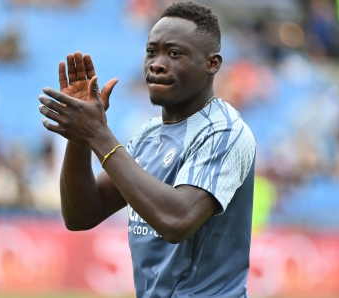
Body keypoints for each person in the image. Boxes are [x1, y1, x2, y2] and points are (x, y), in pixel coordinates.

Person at [38, 2, 256, 297]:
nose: (157, 63)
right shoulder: (148, 134)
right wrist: (80, 138)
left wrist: (99, 135)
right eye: (151, 52)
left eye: (174, 53)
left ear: (212, 63)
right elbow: (81, 216)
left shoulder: (225, 131)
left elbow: (177, 221)